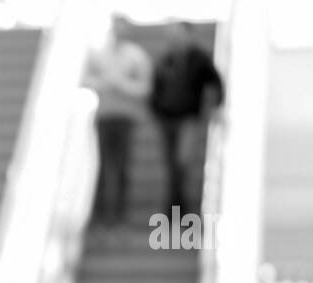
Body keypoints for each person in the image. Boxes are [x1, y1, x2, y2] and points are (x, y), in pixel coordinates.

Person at [84, 15, 152, 229]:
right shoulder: (99, 53)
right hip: (104, 115)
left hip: (126, 117)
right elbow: (86, 79)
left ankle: (120, 213)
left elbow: (145, 88)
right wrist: (105, 83)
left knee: (122, 164)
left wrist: (121, 85)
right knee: (102, 164)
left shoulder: (136, 56)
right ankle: (99, 214)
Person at [150, 22, 224, 218]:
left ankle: (179, 210)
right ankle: (174, 208)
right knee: (171, 164)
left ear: (189, 35)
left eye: (179, 34)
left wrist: (217, 107)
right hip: (166, 120)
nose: (175, 38)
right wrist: (156, 110)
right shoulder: (166, 59)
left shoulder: (199, 59)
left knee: (182, 162)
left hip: (189, 118)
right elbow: (156, 88)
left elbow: (216, 82)